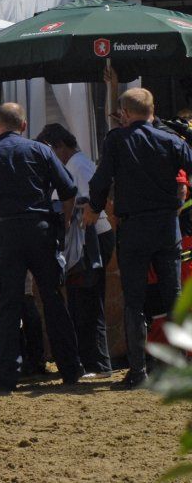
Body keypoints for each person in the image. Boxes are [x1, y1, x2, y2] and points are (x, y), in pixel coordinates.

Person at [0, 102, 83, 392]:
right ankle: (70, 368)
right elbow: (68, 191)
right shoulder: (41, 150)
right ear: (23, 125)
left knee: (7, 305)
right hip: (41, 230)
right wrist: (63, 222)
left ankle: (8, 375)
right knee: (53, 300)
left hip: (6, 233)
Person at [86, 88, 192, 389]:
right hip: (167, 226)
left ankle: (137, 371)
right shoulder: (172, 140)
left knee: (134, 301)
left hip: (134, 228)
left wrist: (94, 209)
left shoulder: (117, 141)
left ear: (125, 113)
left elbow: (101, 181)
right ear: (152, 109)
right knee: (173, 297)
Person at [36, 123, 114, 379]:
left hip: (90, 241)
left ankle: (97, 364)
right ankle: (93, 362)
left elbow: (91, 202)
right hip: (87, 240)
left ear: (59, 147)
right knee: (83, 302)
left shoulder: (77, 166)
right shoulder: (76, 164)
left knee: (87, 301)